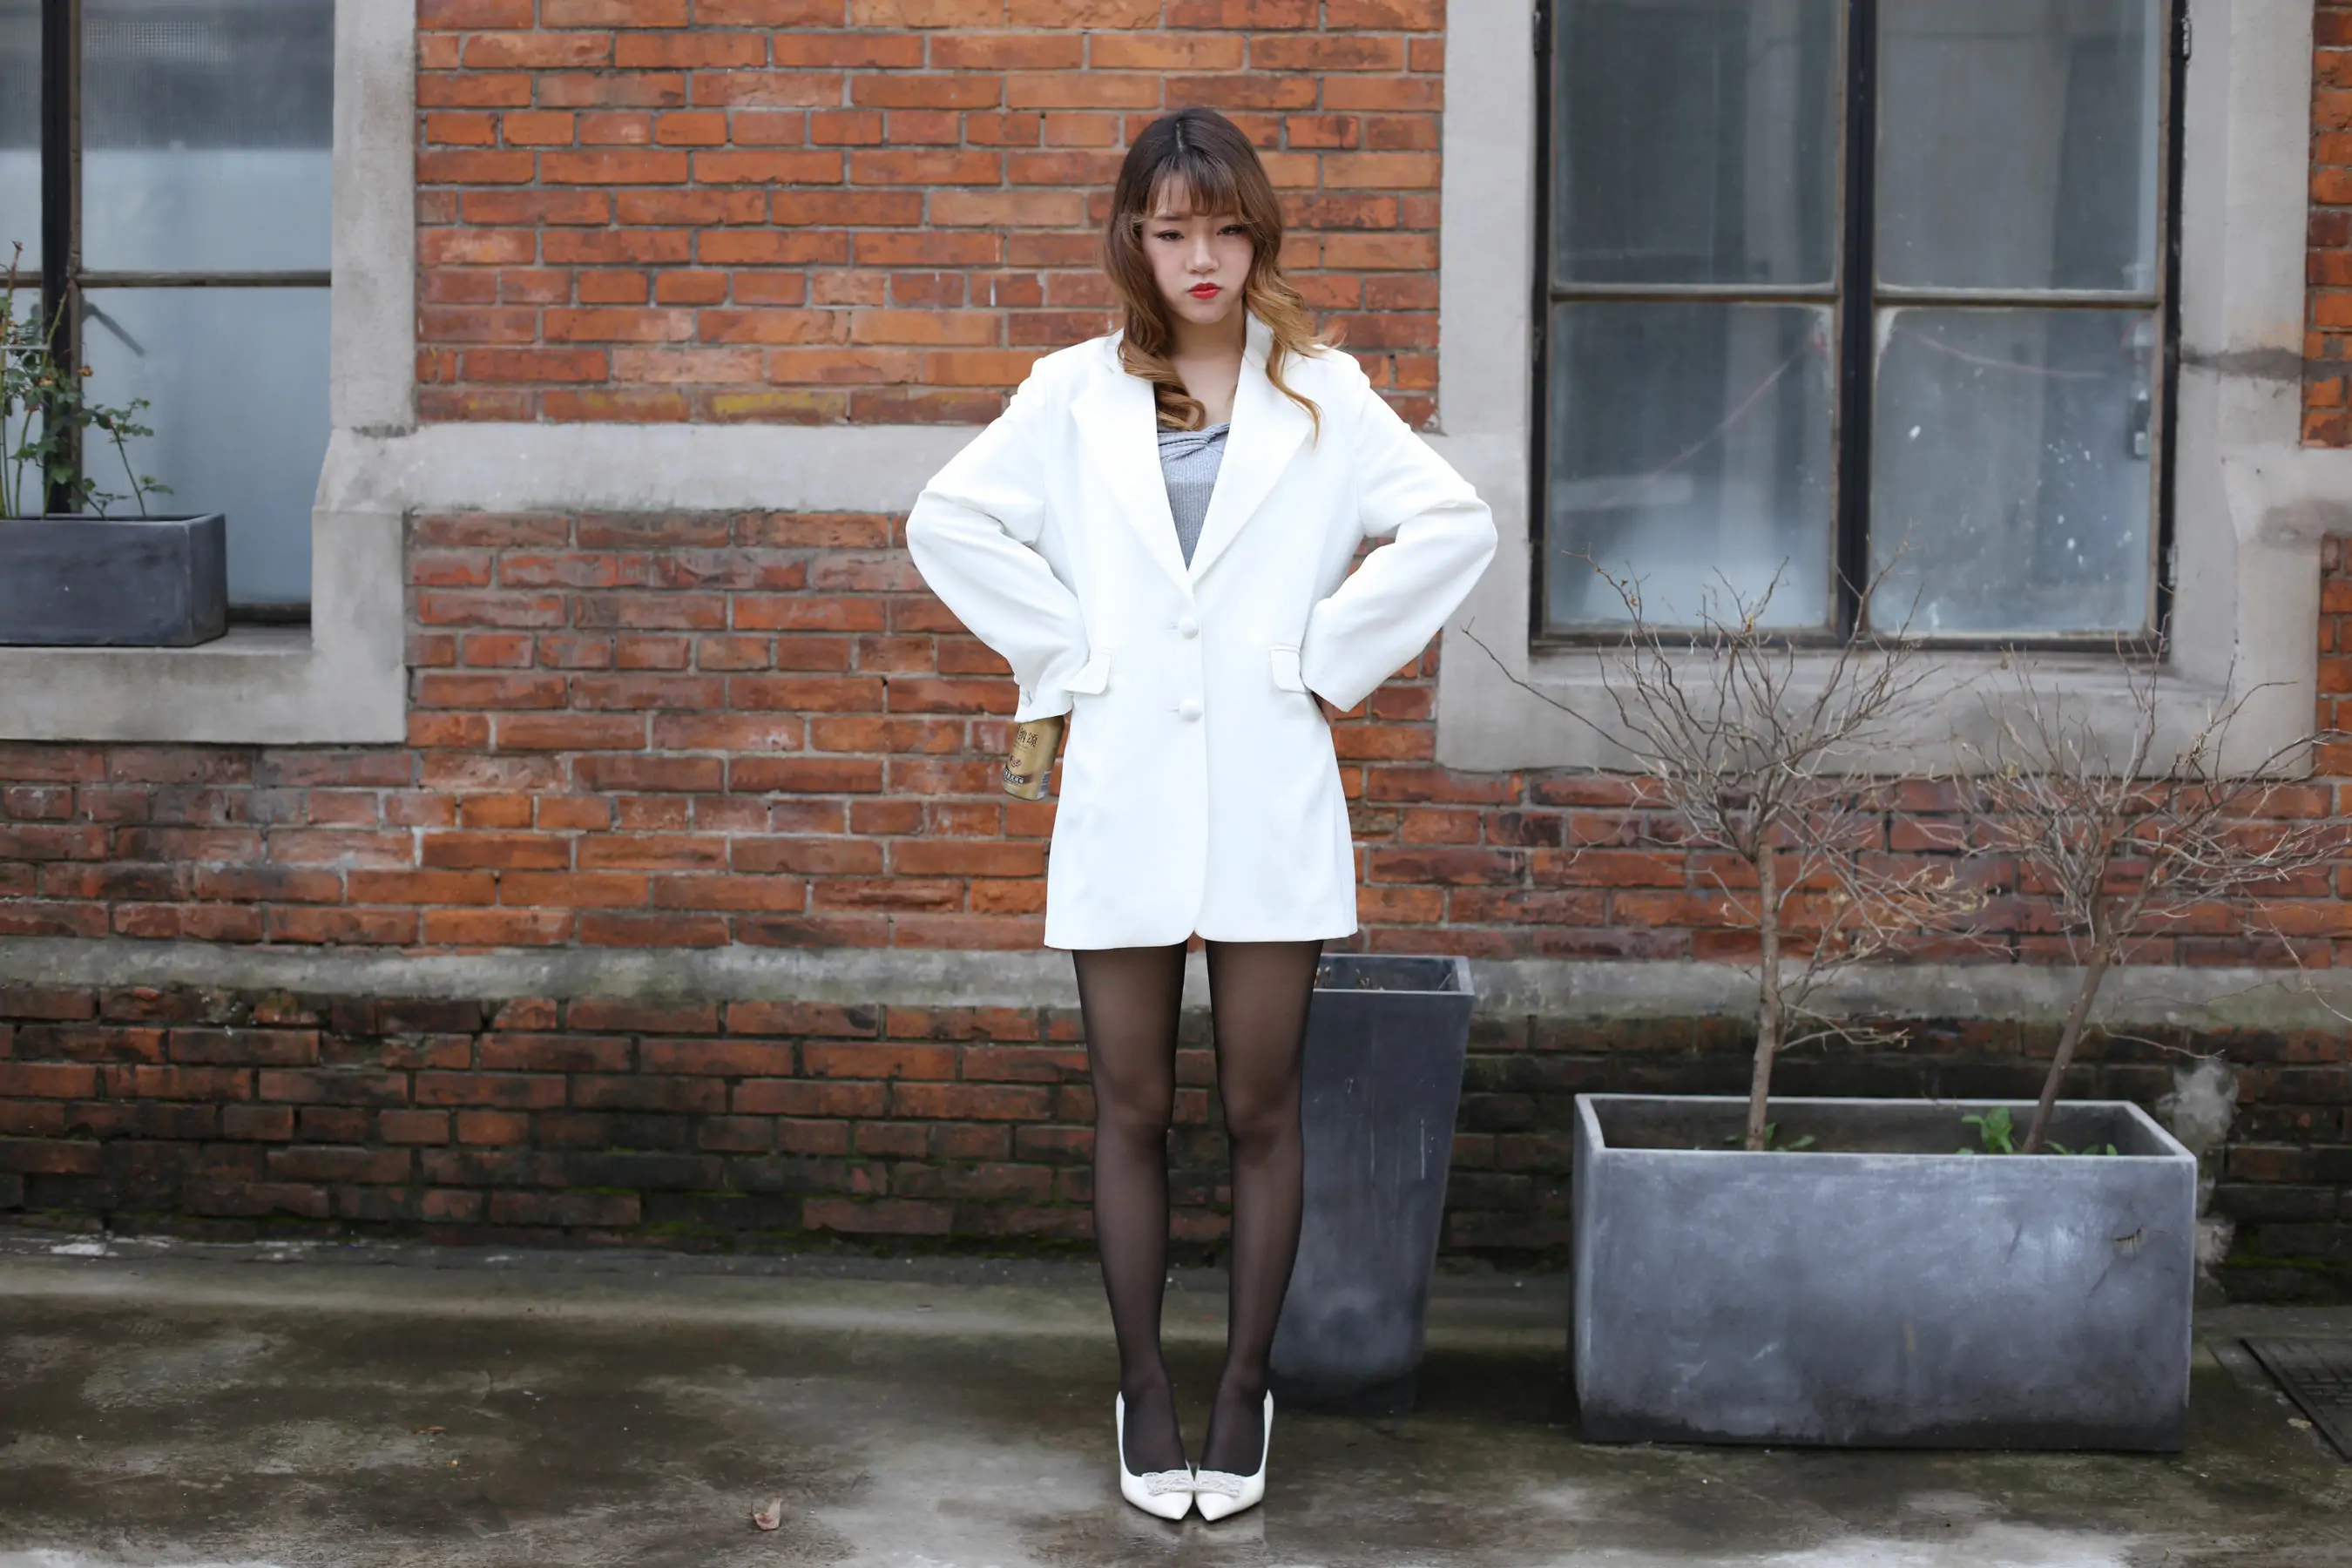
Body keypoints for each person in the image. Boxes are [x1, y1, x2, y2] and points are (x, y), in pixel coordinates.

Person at [903, 106, 1497, 1523]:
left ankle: (1241, 1387)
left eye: (1227, 229)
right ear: (1134, 239)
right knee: (1131, 1105)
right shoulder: (1069, 394)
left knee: (1258, 1105)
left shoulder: (1321, 393)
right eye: (1173, 232)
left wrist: (1324, 659)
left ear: (1258, 234)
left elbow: (1456, 524)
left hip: (1270, 788)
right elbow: (946, 521)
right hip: (1122, 788)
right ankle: (1143, 1388)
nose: (1203, 258)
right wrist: (1068, 655)